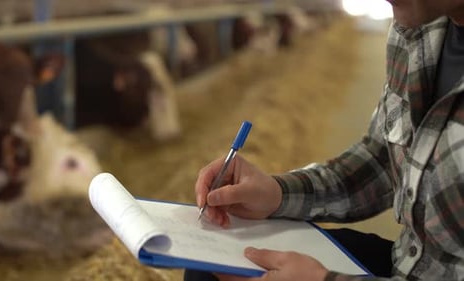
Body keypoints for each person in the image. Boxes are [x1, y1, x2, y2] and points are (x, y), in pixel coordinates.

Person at [184, 0, 464, 280]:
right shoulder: (418, 30)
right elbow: (382, 160)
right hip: (408, 261)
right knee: (209, 266)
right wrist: (277, 194)